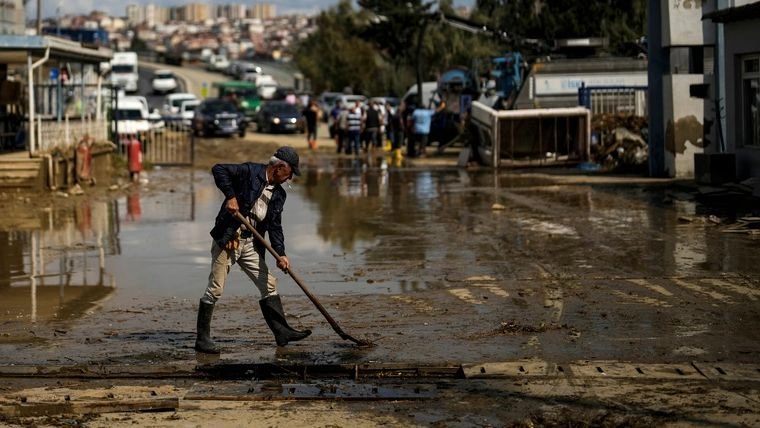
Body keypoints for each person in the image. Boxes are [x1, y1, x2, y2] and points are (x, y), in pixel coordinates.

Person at [195, 146, 310, 354]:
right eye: (290, 173)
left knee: (269, 284)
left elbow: (275, 226)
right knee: (216, 288)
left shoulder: (279, 195)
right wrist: (230, 196)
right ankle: (202, 340)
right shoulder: (250, 172)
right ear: (279, 167)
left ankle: (281, 332)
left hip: (250, 244)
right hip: (229, 239)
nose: (290, 178)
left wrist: (281, 253)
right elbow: (218, 169)